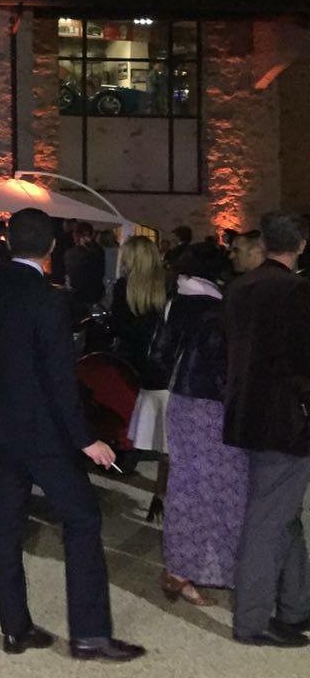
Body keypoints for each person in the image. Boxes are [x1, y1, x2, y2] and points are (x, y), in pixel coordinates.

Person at [0, 207, 142, 661]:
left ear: (8, 242)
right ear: (51, 247)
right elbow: (59, 377)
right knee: (82, 519)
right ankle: (90, 633)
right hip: (41, 430)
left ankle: (15, 628)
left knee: (7, 522)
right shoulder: (49, 299)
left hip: (0, 425)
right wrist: (86, 438)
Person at [222, 210, 310, 647]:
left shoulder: (241, 287)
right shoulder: (295, 291)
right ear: (301, 245)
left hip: (248, 412)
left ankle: (296, 605)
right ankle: (253, 620)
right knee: (268, 520)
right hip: (286, 419)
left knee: (282, 513)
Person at [151, 242, 243, 606]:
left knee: (186, 484)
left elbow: (158, 355)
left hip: (182, 401)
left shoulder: (177, 302)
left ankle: (180, 568)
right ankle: (201, 568)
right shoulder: (219, 308)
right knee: (221, 487)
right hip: (213, 405)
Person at [112, 236, 171, 491]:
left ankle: (131, 449)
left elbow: (118, 326)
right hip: (161, 358)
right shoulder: (167, 285)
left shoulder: (124, 287)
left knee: (129, 403)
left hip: (134, 357)